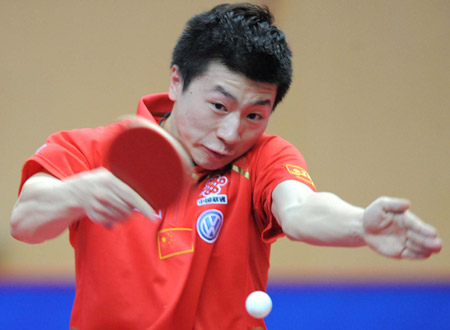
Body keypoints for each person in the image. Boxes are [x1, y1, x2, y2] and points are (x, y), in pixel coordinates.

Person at [10, 3, 441, 330]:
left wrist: (359, 225)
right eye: (219, 105)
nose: (232, 133)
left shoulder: (265, 157)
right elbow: (25, 222)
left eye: (256, 114)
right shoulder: (93, 149)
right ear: (177, 82)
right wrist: (75, 193)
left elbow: (300, 209)